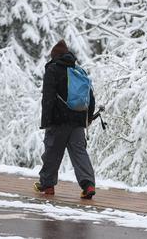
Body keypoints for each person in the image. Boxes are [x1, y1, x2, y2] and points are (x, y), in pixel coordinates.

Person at [34, 40, 96, 199]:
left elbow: (48, 98)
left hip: (58, 121)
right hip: (78, 121)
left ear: (54, 56)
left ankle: (47, 186)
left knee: (52, 153)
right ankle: (88, 185)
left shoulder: (53, 70)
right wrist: (87, 118)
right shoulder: (78, 70)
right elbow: (90, 97)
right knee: (79, 153)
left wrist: (46, 122)